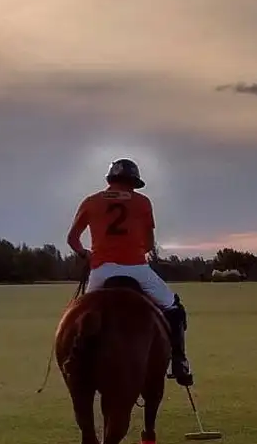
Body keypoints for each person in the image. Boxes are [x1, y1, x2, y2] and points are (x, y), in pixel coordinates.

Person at [66, 158, 193, 387]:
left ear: (111, 180)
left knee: (79, 313)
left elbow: (72, 240)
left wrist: (87, 254)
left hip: (101, 271)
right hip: (137, 269)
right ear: (133, 182)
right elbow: (149, 243)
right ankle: (179, 361)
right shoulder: (143, 202)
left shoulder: (91, 201)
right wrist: (135, 250)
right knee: (174, 308)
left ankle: (75, 361)